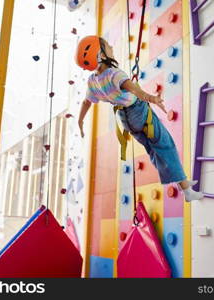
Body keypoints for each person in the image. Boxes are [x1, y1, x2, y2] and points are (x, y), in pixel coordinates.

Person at [75, 36, 203, 202]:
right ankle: (187, 191)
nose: (111, 46)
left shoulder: (92, 82)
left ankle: (181, 181)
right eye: (107, 45)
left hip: (126, 121)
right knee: (165, 144)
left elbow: (86, 102)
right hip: (138, 112)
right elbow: (135, 90)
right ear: (100, 55)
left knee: (154, 149)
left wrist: (80, 120)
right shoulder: (114, 74)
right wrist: (152, 98)